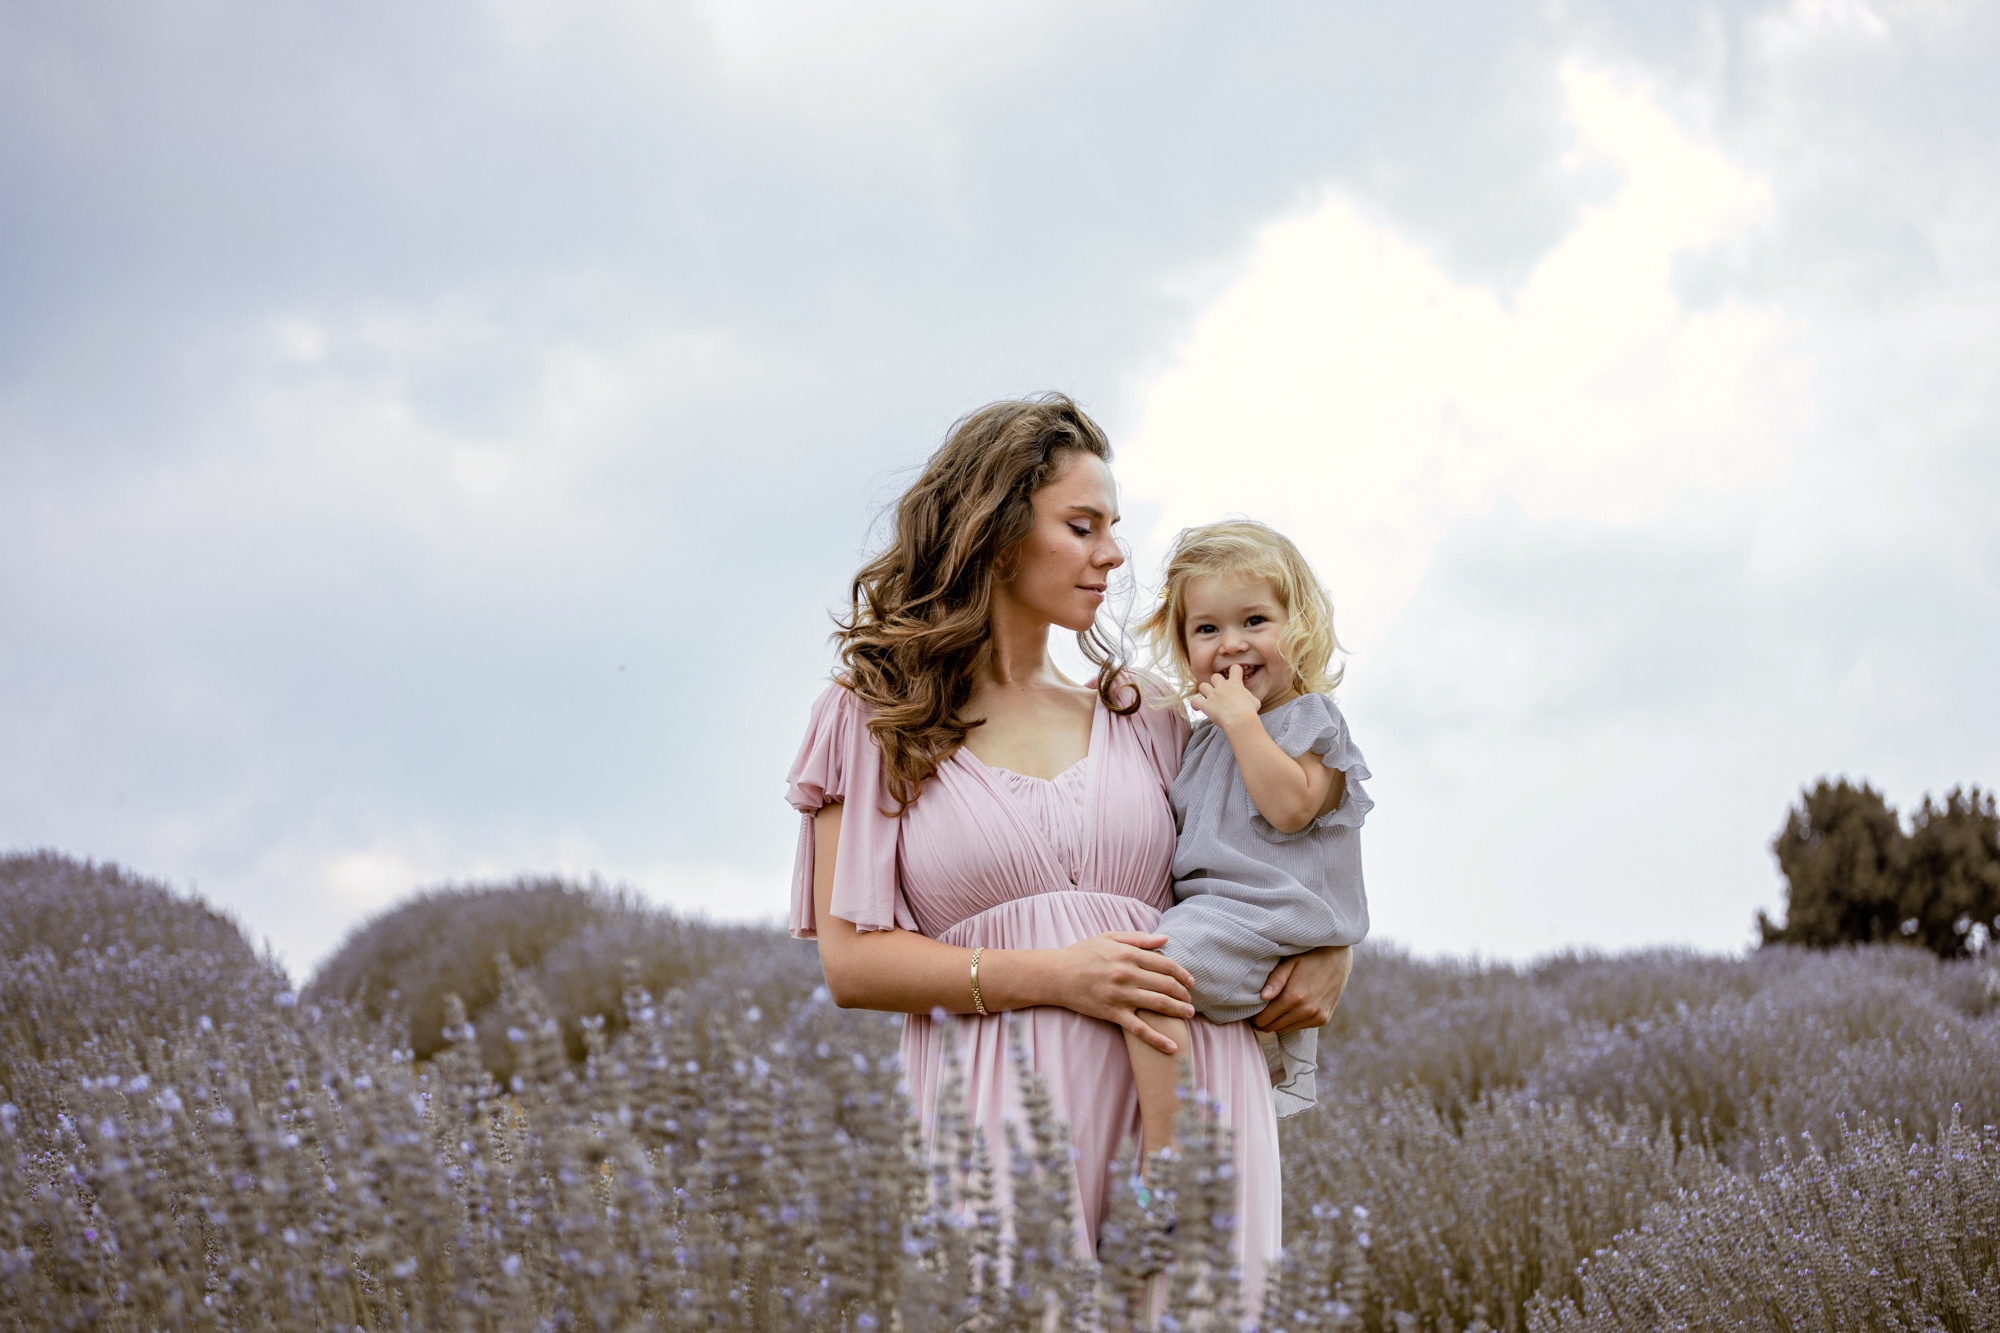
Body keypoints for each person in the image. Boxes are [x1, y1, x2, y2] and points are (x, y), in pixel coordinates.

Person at [784, 395, 1353, 1302]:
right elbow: (852, 965)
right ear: (997, 533)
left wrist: (1334, 948)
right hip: (997, 1110)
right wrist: (1060, 976)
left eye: (1113, 527)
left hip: (1194, 1095)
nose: (1114, 554)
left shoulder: (1151, 716)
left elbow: (1283, 838)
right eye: (1081, 526)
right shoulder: (872, 715)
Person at [1121, 521, 1373, 1171]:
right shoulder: (1202, 740)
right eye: (1206, 629)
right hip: (1219, 919)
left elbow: (1291, 807)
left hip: (1268, 920)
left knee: (1153, 978)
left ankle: (1169, 1155)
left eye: (1255, 620)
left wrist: (1240, 722)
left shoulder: (1312, 720)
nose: (1232, 643)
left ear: (1300, 626)